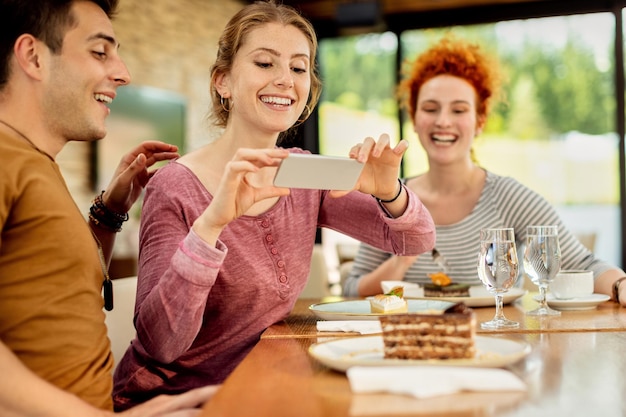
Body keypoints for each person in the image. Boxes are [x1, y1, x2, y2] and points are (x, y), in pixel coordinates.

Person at [112, 0, 436, 410]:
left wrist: (389, 191)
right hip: (178, 401)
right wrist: (210, 226)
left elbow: (417, 240)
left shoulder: (305, 174)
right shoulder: (176, 185)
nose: (285, 79)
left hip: (265, 383)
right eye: (265, 63)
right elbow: (162, 344)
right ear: (223, 81)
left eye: (299, 68)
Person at [0, 0, 218, 415]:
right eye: (100, 52)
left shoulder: (35, 161)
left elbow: (62, 287)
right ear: (33, 56)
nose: (123, 73)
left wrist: (110, 211)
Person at [342, 35, 626, 306]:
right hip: (408, 348)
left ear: (479, 121)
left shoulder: (507, 197)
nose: (443, 121)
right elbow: (352, 289)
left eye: (459, 110)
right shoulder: (388, 196)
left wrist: (620, 286)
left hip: (496, 346)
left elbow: (584, 265)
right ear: (414, 119)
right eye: (430, 108)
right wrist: (401, 260)